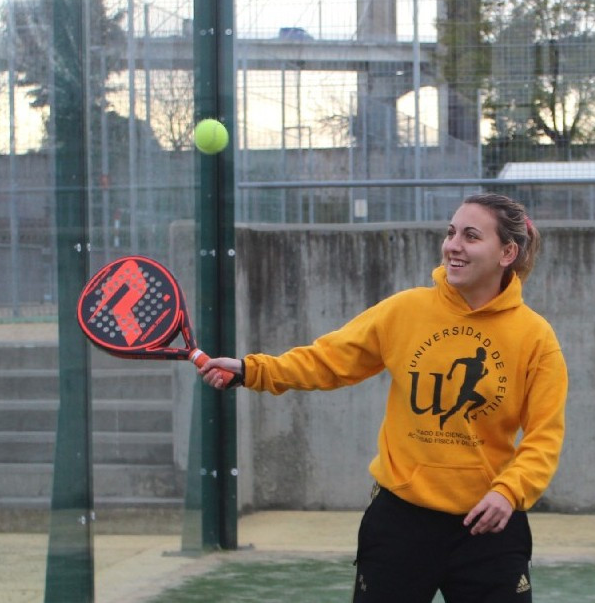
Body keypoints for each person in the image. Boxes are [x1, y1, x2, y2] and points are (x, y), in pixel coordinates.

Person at [200, 193, 567, 603]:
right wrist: (252, 370)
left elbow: (544, 436)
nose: (453, 245)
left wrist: (509, 491)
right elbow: (327, 361)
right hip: (400, 523)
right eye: (450, 233)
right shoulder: (405, 311)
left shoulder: (536, 338)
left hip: (489, 525)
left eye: (471, 236)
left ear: (507, 253)